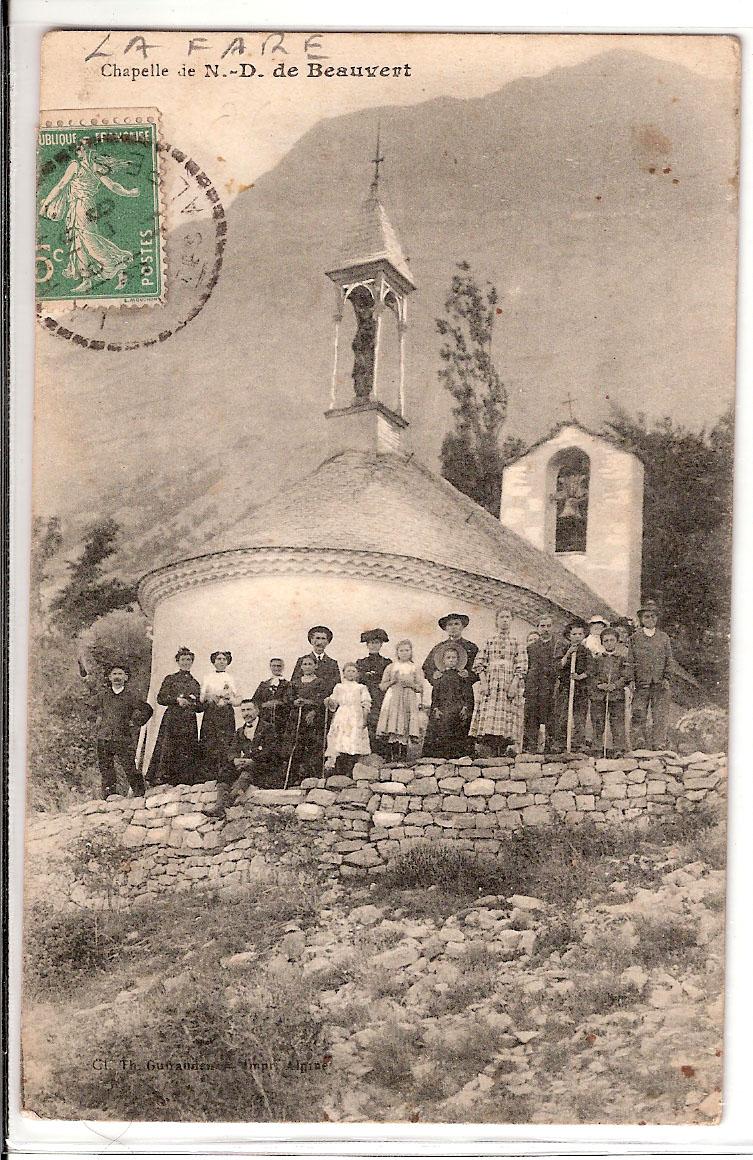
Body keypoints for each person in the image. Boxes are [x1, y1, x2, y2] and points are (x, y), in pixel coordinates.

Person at [38, 140, 139, 293]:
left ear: (86, 150)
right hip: (89, 208)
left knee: (87, 241)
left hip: (80, 206)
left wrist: (46, 203)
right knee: (83, 240)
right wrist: (128, 193)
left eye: (79, 149)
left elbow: (60, 186)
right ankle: (92, 277)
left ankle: (115, 263)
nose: (77, 152)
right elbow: (113, 186)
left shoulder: (75, 166)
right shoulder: (96, 167)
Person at [469, 607, 528, 757]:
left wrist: (514, 684)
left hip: (508, 682)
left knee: (505, 714)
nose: (505, 620)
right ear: (496, 621)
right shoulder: (489, 641)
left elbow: (521, 664)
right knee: (490, 714)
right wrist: (483, 682)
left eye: (508, 617)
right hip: (491, 682)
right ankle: (489, 750)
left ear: (511, 620)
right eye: (501, 617)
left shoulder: (516, 642)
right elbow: (479, 663)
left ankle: (502, 750)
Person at [208, 700, 281, 816]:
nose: (246, 713)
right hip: (244, 764)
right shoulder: (240, 731)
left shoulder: (268, 728)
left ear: (257, 711)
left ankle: (227, 803)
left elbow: (271, 751)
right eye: (243, 710)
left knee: (246, 773)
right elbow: (232, 750)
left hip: (263, 765)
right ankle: (219, 805)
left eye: (249, 710)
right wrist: (235, 760)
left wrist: (253, 760)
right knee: (225, 773)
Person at [91, 663, 152, 798]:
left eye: (120, 674)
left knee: (129, 768)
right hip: (104, 738)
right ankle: (109, 798)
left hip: (123, 738)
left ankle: (140, 796)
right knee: (106, 771)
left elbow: (147, 710)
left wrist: (135, 723)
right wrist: (99, 723)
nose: (117, 677)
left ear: (126, 677)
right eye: (114, 674)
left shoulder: (131, 696)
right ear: (109, 677)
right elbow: (90, 707)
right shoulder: (103, 696)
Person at [147, 647, 203, 786]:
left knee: (187, 748)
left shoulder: (195, 683)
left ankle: (184, 780)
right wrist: (177, 700)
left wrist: (194, 703)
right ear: (177, 661)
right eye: (183, 660)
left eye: (189, 660)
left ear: (192, 662)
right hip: (173, 719)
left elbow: (200, 708)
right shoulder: (170, 679)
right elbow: (161, 698)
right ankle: (163, 778)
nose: (186, 662)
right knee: (169, 746)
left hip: (189, 721)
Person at [628, 599, 674, 749]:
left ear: (657, 618)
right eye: (646, 616)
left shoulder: (664, 637)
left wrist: (667, 677)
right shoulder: (635, 638)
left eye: (653, 616)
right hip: (641, 683)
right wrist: (631, 679)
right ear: (641, 619)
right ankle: (638, 742)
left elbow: (669, 659)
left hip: (659, 683)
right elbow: (630, 660)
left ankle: (659, 743)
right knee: (638, 713)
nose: (650, 619)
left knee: (660, 715)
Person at [422, 643, 475, 759]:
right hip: (444, 709)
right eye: (448, 658)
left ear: (458, 660)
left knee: (458, 731)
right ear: (443, 660)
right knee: (442, 730)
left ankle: (457, 757)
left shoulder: (462, 676)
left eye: (454, 658)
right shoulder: (440, 677)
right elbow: (435, 693)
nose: (451, 660)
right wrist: (435, 708)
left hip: (458, 708)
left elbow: (466, 692)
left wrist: (465, 707)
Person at [377, 639, 425, 762]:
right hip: (393, 698)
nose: (404, 653)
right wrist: (392, 681)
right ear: (397, 652)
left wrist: (410, 684)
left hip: (408, 699)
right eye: (401, 650)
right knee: (393, 725)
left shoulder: (415, 668)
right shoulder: (391, 667)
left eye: (407, 650)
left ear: (411, 652)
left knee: (404, 725)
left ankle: (403, 757)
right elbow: (382, 686)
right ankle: (392, 757)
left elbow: (420, 688)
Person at [284, 655, 330, 784]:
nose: (307, 667)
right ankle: (295, 777)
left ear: (315, 666)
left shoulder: (320, 682)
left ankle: (312, 776)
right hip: (296, 717)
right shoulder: (295, 683)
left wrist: (313, 710)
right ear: (301, 667)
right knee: (296, 744)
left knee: (312, 744)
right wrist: (294, 701)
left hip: (313, 718)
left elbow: (322, 699)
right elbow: (288, 698)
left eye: (310, 664)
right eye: (305, 664)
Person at [588, 626, 630, 756]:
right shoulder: (597, 659)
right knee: (598, 722)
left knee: (617, 723)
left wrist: (615, 685)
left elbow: (626, 676)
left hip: (616, 696)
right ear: (602, 643)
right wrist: (599, 685)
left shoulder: (622, 659)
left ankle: (618, 748)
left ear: (617, 642)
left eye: (612, 640)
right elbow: (591, 675)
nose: (609, 643)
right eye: (606, 641)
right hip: (599, 696)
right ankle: (597, 748)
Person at [551, 620, 592, 753]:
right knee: (562, 715)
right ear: (569, 635)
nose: (577, 636)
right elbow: (557, 666)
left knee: (579, 716)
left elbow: (591, 670)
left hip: (581, 689)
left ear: (584, 635)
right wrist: (568, 654)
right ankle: (560, 743)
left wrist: (580, 676)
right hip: (565, 687)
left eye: (580, 634)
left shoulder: (586, 652)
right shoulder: (563, 649)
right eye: (574, 634)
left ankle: (578, 743)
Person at [325, 662, 372, 776]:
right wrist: (329, 701)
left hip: (356, 715)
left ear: (357, 674)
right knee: (340, 738)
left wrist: (365, 718)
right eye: (348, 671)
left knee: (353, 738)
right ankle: (339, 769)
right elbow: (334, 702)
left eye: (353, 671)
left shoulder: (361, 687)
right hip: (342, 715)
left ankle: (351, 769)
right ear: (344, 673)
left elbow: (366, 703)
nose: (351, 673)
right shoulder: (339, 687)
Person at [199, 650, 240, 779]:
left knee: (226, 741)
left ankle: (224, 773)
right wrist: (211, 696)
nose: (221, 661)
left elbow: (237, 699)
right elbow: (201, 697)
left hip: (226, 713)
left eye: (224, 659)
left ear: (227, 662)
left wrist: (229, 699)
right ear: (214, 661)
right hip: (211, 712)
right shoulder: (207, 677)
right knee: (210, 741)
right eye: (218, 659)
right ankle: (209, 774)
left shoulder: (231, 678)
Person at [522, 613, 559, 753]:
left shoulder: (558, 645)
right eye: (542, 626)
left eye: (549, 626)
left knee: (550, 717)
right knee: (531, 717)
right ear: (537, 628)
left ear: (552, 627)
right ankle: (531, 747)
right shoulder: (531, 648)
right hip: (533, 687)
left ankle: (551, 746)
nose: (546, 629)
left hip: (550, 686)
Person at [355, 629, 391, 753]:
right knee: (366, 725)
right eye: (370, 643)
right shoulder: (360, 663)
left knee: (382, 725)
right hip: (365, 698)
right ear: (367, 645)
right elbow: (357, 681)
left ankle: (381, 756)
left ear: (381, 644)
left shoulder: (387, 663)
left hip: (382, 698)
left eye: (376, 642)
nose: (373, 645)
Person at [422, 613, 480, 685]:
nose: (453, 627)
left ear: (462, 627)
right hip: (442, 688)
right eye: (450, 624)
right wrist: (434, 675)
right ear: (445, 628)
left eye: (456, 624)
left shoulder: (471, 647)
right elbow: (426, 667)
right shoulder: (439, 648)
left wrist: (469, 675)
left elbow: (479, 668)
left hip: (463, 688)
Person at [251, 658, 293, 750]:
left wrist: (278, 702)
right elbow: (255, 701)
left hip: (281, 720)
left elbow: (289, 700)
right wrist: (264, 705)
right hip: (265, 718)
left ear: (283, 667)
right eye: (274, 666)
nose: (276, 668)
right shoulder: (264, 684)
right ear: (270, 667)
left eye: (279, 666)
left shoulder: (288, 684)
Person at [291, 626, 341, 697]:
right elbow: (294, 683)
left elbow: (336, 686)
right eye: (317, 638)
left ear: (328, 642)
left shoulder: (332, 663)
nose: (320, 642)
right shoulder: (302, 660)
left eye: (323, 639)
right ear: (311, 640)